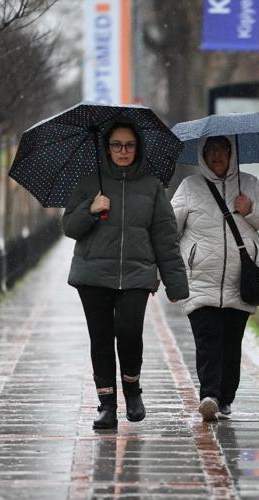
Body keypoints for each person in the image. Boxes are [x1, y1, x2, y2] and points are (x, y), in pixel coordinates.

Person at [63, 119, 189, 430]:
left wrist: (176, 283)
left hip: (136, 274)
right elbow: (69, 228)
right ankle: (107, 405)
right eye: (117, 145)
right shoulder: (89, 182)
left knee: (130, 333)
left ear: (138, 148)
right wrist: (90, 210)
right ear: (107, 148)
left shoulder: (152, 187)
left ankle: (132, 390)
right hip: (93, 274)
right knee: (102, 338)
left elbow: (165, 237)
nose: (123, 151)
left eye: (129, 145)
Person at [171, 135, 259, 421]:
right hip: (200, 281)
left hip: (241, 282)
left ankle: (225, 398)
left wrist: (251, 210)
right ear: (202, 154)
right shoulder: (190, 187)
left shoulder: (250, 184)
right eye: (210, 150)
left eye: (222, 149)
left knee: (231, 345)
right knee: (208, 340)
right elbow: (170, 228)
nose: (216, 155)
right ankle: (209, 395)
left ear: (232, 153)